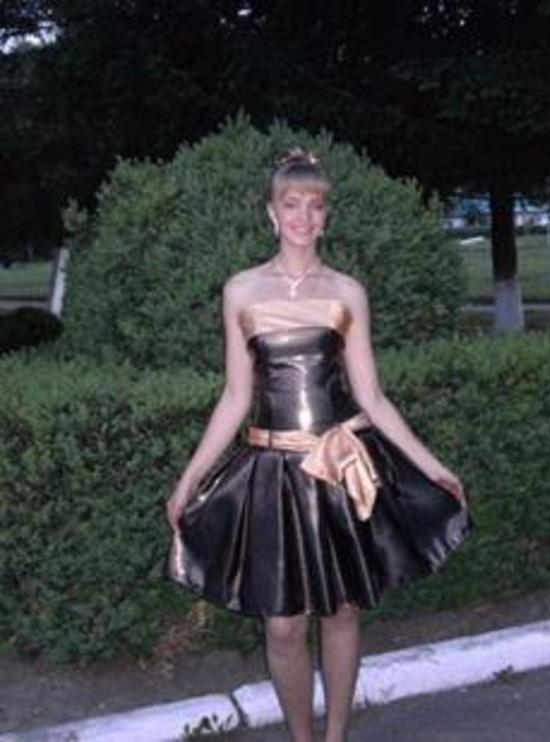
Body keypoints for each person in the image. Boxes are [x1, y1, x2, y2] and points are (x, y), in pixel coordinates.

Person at [167, 149, 472, 742]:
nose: (303, 217)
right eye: (292, 204)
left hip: (339, 469)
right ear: (271, 212)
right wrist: (188, 481)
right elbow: (235, 397)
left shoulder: (347, 292)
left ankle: (336, 737)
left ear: (327, 217)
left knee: (342, 610)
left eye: (315, 206)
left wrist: (433, 467)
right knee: (282, 626)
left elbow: (373, 396)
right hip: (272, 475)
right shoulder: (240, 291)